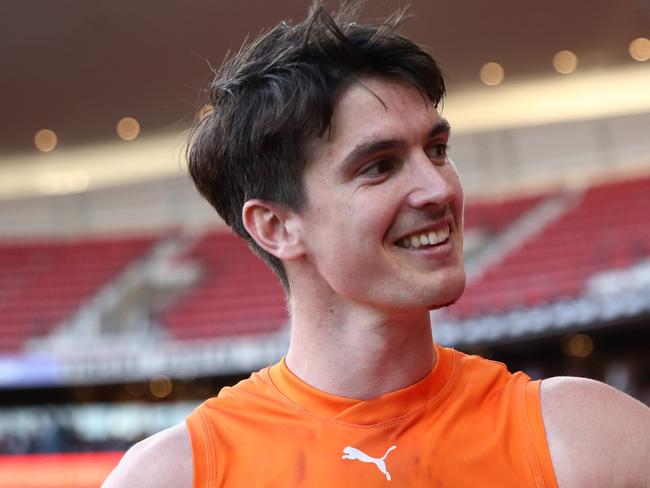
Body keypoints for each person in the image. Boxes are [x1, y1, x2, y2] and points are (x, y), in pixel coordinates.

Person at [104, 2, 650, 487]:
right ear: (275, 227)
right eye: (379, 166)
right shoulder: (176, 475)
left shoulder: (585, 441)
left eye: (437, 150)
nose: (439, 189)